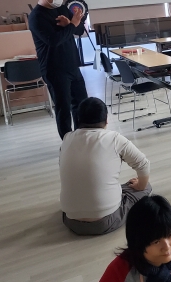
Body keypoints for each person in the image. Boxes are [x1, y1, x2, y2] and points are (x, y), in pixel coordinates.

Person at [60, 97, 151, 236]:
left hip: (70, 220)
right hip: (105, 222)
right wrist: (140, 186)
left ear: (78, 119)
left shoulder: (67, 138)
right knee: (146, 186)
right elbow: (143, 164)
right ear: (106, 120)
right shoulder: (114, 138)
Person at [29, 0, 88, 139]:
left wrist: (71, 24)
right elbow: (53, 40)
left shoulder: (61, 9)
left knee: (82, 104)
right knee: (63, 107)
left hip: (72, 65)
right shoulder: (36, 16)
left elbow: (79, 30)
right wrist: (71, 25)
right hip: (54, 68)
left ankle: (82, 139)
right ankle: (68, 142)